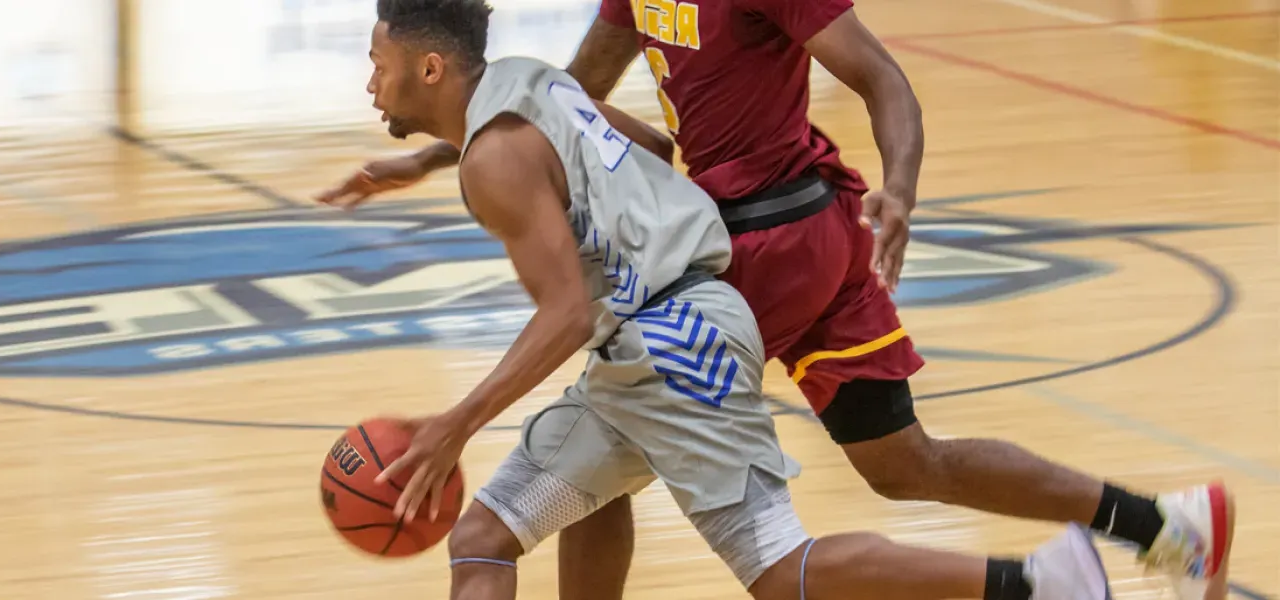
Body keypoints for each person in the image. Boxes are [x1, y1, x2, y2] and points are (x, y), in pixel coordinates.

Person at [322, 0, 1235, 598]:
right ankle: (1162, 526)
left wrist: (904, 188)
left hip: (758, 248)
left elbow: (883, 79)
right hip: (811, 225)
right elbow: (572, 107)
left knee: (643, 442)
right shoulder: (600, 22)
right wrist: (434, 154)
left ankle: (1033, 586)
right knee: (902, 461)